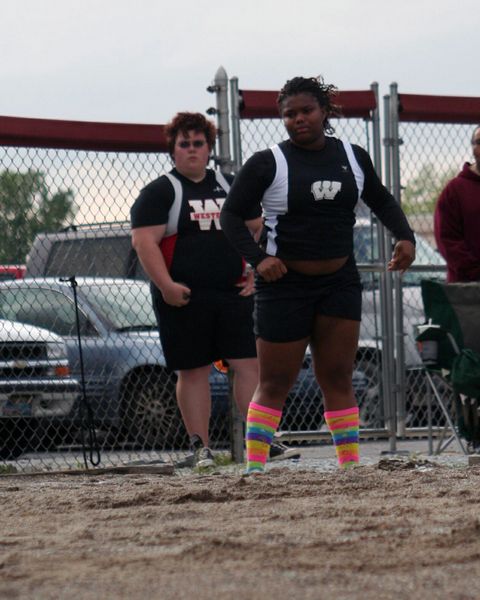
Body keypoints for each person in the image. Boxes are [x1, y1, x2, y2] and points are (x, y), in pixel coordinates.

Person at [220, 76, 416, 474]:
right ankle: (255, 470)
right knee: (275, 382)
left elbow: (380, 199)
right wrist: (259, 259)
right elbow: (230, 216)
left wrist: (405, 237)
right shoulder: (268, 162)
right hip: (284, 286)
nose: (298, 119)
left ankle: (350, 467)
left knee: (338, 376)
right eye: (289, 114)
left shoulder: (353, 157)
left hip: (339, 281)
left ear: (324, 111)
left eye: (306, 111)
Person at [130, 112, 297, 467]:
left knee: (249, 363)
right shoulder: (160, 192)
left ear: (209, 149)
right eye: (184, 144)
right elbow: (144, 242)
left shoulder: (231, 186)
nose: (192, 149)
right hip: (184, 297)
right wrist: (166, 286)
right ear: (173, 150)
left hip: (233, 293)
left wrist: (255, 269)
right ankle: (200, 448)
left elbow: (260, 226)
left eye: (198, 143)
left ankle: (262, 440)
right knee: (193, 370)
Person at [434, 125, 480, 283]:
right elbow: (447, 240)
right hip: (467, 288)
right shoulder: (454, 191)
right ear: (472, 147)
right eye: (479, 142)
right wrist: (475, 271)